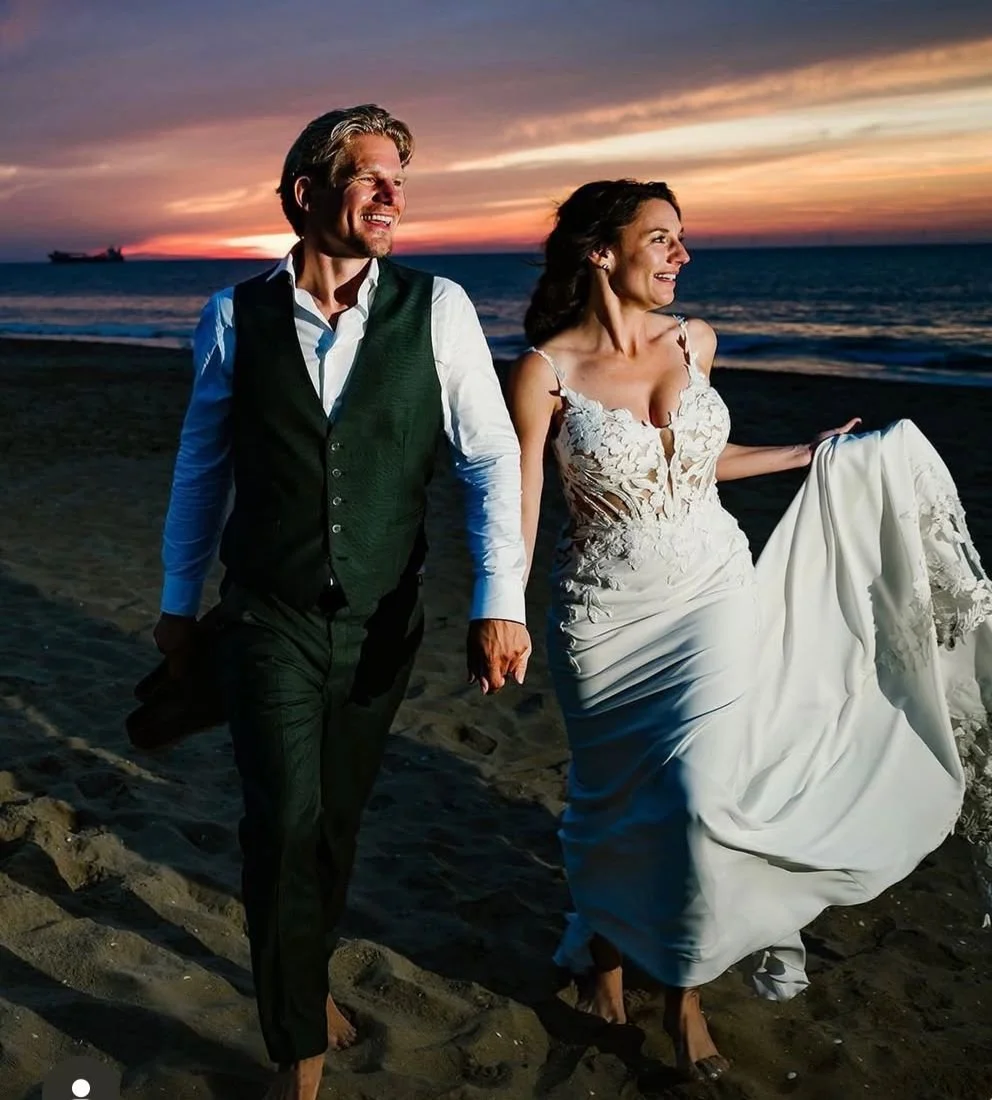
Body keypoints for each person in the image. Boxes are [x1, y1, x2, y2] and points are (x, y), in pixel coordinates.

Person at [508, 179, 992, 1081]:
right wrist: (501, 609)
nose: (682, 254)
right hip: (603, 618)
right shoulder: (545, 371)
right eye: (661, 237)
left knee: (699, 798)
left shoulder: (697, 341)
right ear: (601, 252)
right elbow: (525, 500)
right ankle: (604, 961)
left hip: (713, 595)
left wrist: (804, 455)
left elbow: (698, 463)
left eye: (681, 237)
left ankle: (683, 995)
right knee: (612, 801)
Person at [153, 105, 532, 1100]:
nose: (392, 193)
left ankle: (305, 972)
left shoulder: (437, 307)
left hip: (381, 624)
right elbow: (201, 466)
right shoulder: (232, 315)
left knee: (332, 824)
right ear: (306, 192)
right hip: (266, 613)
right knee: (281, 821)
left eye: (399, 177)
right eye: (370, 174)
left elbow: (489, 458)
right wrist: (178, 600)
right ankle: (299, 1059)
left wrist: (500, 599)